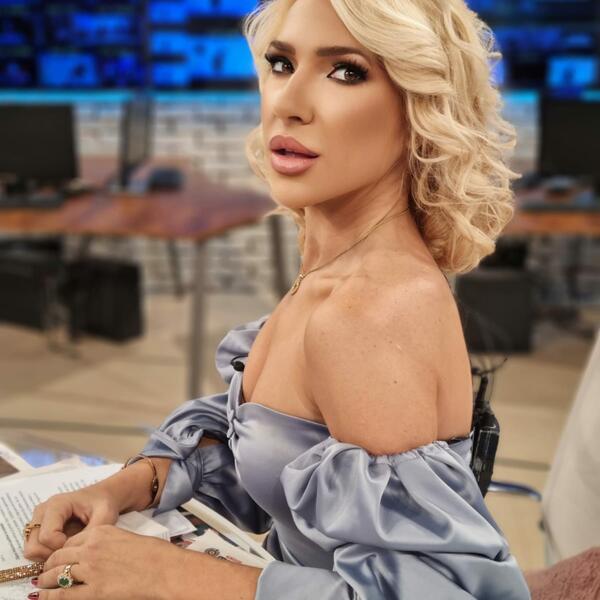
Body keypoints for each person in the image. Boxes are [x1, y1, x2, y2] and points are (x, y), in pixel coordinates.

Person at [23, 0, 532, 598]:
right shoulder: (334, 271)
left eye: (345, 71)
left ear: (420, 107)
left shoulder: (367, 314)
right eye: (281, 63)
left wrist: (168, 574)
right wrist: (127, 487)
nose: (288, 102)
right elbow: (282, 460)